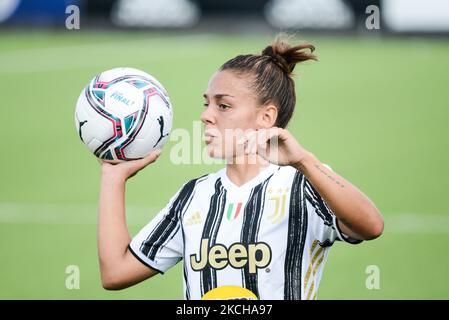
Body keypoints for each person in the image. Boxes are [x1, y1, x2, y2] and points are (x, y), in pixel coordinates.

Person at [97, 34, 384, 300]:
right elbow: (116, 272)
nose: (206, 116)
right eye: (207, 103)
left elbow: (371, 226)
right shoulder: (194, 196)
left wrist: (304, 161)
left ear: (266, 116)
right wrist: (113, 178)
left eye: (223, 106)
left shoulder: (302, 184)